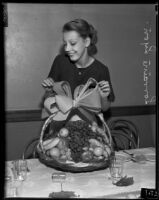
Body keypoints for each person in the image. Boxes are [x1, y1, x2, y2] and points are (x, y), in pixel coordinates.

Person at [42, 18, 115, 129]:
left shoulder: (101, 70)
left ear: (86, 42)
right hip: (60, 128)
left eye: (72, 43)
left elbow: (104, 108)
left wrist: (104, 97)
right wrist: (48, 91)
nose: (67, 48)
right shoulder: (60, 62)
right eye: (65, 44)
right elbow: (49, 99)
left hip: (89, 129)